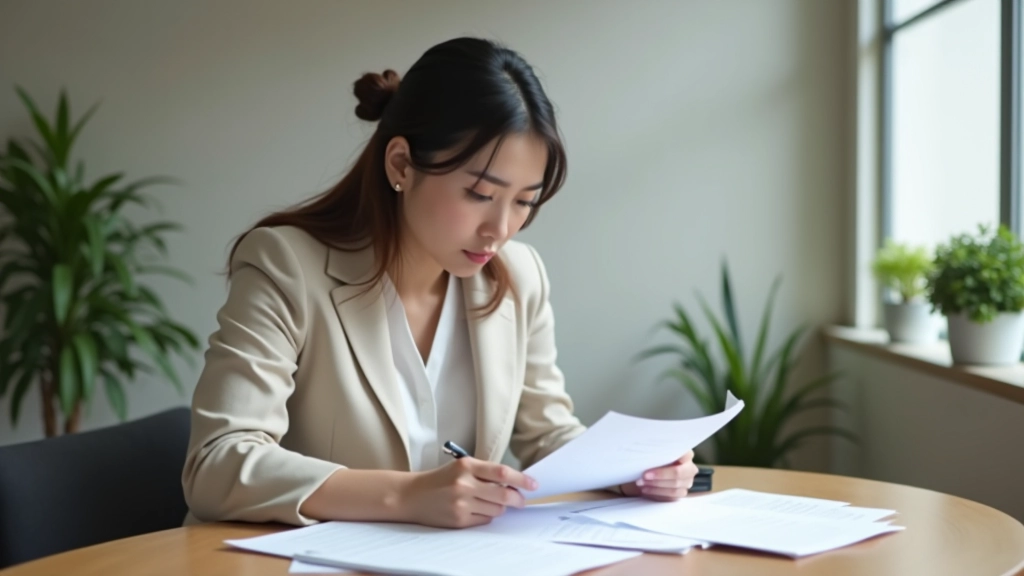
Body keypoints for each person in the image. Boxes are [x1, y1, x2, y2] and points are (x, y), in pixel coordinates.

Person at [181, 37, 698, 529]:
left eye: (523, 201)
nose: (501, 229)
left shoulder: (519, 276)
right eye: (479, 193)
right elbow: (218, 462)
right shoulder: (286, 265)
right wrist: (406, 496)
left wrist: (629, 471)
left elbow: (548, 435)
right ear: (402, 164)